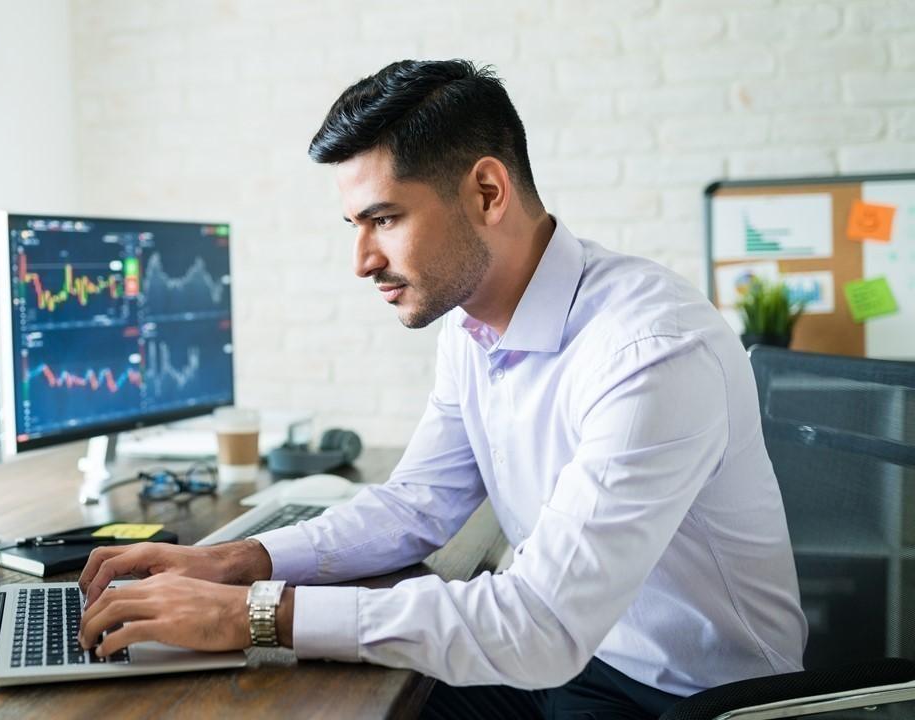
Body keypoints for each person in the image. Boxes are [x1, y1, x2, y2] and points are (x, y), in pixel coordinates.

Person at [77, 59, 807, 719]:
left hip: (684, 698)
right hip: (572, 664)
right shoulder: (473, 330)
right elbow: (417, 506)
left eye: (384, 219)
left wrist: (255, 614)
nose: (362, 260)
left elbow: (540, 626)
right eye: (353, 225)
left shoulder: (649, 350)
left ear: (487, 192)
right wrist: (236, 561)